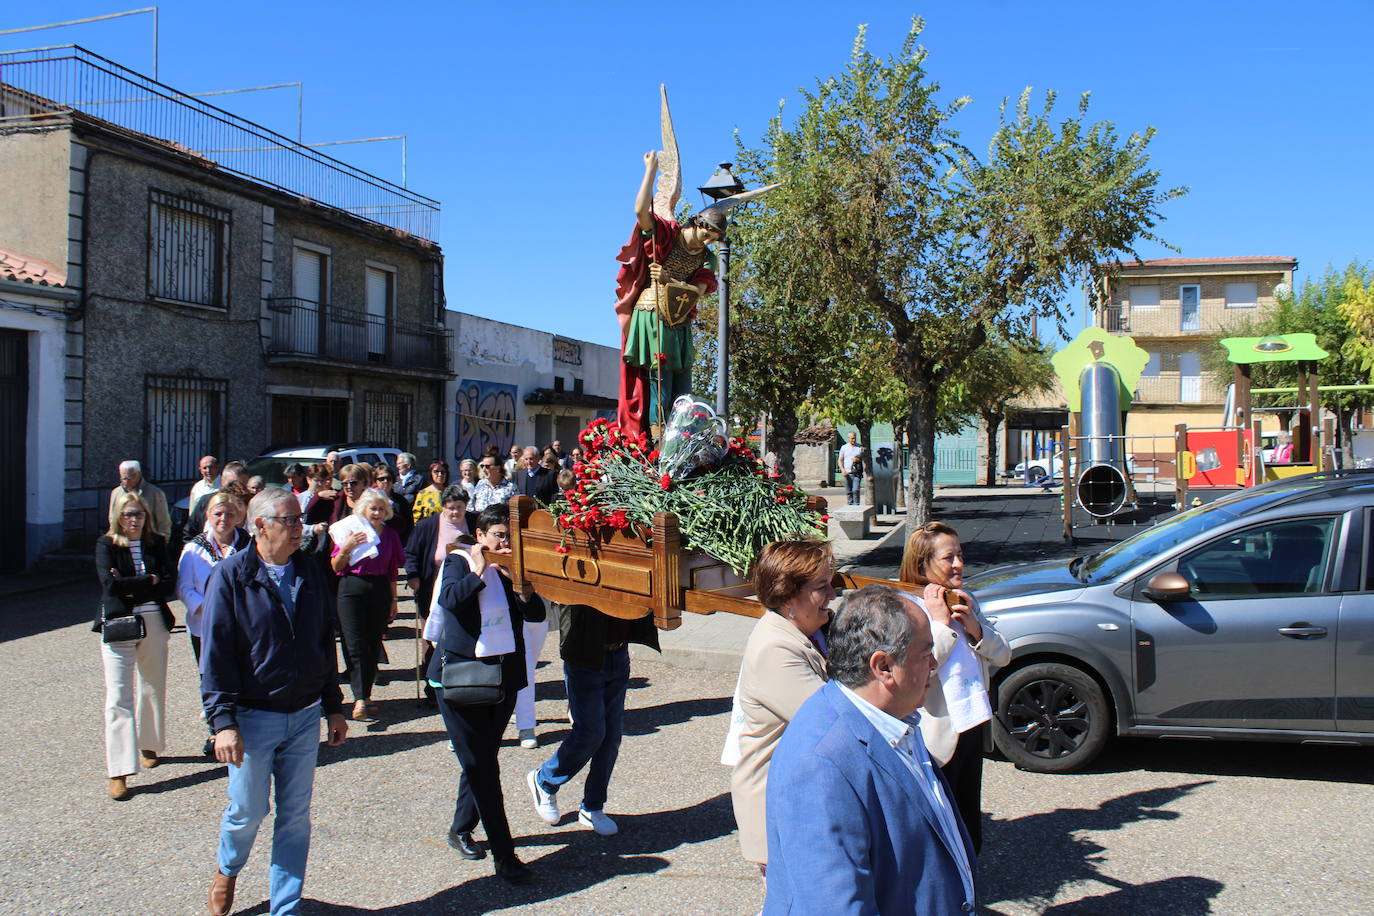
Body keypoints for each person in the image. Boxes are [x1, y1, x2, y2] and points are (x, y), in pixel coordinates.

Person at [763, 584, 975, 915]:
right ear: (884, 667)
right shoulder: (821, 766)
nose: (934, 663)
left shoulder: (897, 716)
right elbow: (835, 905)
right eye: (924, 653)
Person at [200, 488, 348, 916]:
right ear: (260, 525)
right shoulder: (231, 576)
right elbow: (216, 655)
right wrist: (222, 721)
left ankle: (286, 906)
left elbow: (324, 640)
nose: (300, 528)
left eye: (300, 520)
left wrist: (333, 705)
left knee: (295, 814)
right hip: (252, 717)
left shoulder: (309, 571)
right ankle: (227, 869)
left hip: (302, 716)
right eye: (291, 521)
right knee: (247, 811)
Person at [426, 503, 544, 883]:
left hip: (501, 677)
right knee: (482, 764)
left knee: (480, 757)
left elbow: (538, 614)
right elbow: (449, 601)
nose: (505, 542)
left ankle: (460, 827)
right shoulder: (460, 561)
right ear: (480, 536)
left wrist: (519, 585)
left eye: (510, 536)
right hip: (460, 678)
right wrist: (480, 572)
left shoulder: (514, 566)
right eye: (498, 536)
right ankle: (505, 855)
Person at [899, 521, 1010, 854]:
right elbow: (915, 674)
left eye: (960, 554)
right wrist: (939, 623)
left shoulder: (965, 599)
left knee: (968, 826)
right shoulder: (908, 608)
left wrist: (976, 629)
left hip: (972, 725)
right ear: (923, 564)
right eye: (949, 558)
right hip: (935, 737)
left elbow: (1003, 655)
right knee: (938, 831)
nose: (959, 563)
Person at [728, 540, 834, 871]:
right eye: (821, 588)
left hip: (801, 798)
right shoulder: (776, 648)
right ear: (788, 597)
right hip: (780, 805)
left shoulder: (810, 630)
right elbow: (830, 721)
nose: (832, 595)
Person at [527, 601, 658, 838]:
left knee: (611, 736)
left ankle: (593, 806)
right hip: (584, 653)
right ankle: (544, 780)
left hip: (618, 651)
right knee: (590, 732)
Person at [614, 150, 722, 436]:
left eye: (714, 238)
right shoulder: (667, 233)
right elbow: (641, 212)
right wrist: (650, 169)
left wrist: (668, 278)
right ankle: (658, 441)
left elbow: (697, 291)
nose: (708, 241)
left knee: (682, 383)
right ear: (697, 223)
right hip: (650, 313)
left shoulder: (706, 258)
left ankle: (681, 439)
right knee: (658, 379)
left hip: (680, 319)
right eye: (707, 233)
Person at [95, 491, 175, 801]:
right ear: (117, 516)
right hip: (119, 622)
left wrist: (139, 583)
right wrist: (149, 581)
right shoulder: (106, 545)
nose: (134, 520)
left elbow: (169, 582)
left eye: (139, 514)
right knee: (118, 696)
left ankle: (150, 744)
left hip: (154, 618)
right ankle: (119, 771)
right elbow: (110, 585)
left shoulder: (156, 543)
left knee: (152, 686)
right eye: (128, 514)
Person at [177, 490, 251, 757]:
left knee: (242, 672)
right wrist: (210, 609)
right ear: (208, 515)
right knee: (210, 676)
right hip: (204, 626)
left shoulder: (247, 545)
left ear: (238, 516)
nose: (224, 519)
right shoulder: (194, 548)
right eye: (218, 513)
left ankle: (242, 725)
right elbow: (184, 588)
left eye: (230, 514)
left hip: (242, 623)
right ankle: (216, 729)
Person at [331, 489, 405, 721]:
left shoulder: (391, 535)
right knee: (354, 644)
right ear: (364, 509)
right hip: (351, 587)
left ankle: (367, 695)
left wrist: (393, 599)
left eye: (381, 509)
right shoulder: (352, 530)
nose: (377, 513)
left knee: (373, 644)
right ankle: (359, 698)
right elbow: (336, 566)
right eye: (373, 508)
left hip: (380, 588)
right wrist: (348, 546)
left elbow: (393, 570)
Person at [405, 485, 475, 706]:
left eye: (459, 508)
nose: (455, 513)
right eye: (451, 508)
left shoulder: (474, 522)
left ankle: (463, 683)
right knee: (431, 638)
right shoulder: (428, 526)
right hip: (432, 590)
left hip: (466, 591)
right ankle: (431, 686)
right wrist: (413, 576)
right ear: (443, 507)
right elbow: (411, 552)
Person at [184, 461, 248, 542]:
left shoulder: (252, 505)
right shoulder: (206, 501)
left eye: (241, 484)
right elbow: (190, 532)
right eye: (231, 484)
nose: (236, 488)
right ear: (222, 482)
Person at [108, 460, 172, 540]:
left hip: (148, 542)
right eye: (122, 478)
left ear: (138, 474)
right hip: (122, 541)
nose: (125, 481)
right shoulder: (116, 492)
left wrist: (163, 542)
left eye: (128, 478)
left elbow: (163, 522)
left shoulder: (155, 493)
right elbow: (112, 518)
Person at [373, 462, 413, 546]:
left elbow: (409, 526)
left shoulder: (401, 501)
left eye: (388, 478)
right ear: (376, 481)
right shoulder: (370, 501)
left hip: (397, 543)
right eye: (381, 479)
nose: (385, 481)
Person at [411, 460, 450, 524]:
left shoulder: (451, 492)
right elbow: (416, 516)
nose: (440, 474)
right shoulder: (423, 493)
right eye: (436, 471)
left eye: (443, 472)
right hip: (429, 529)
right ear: (431, 473)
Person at [838, 432, 864, 506]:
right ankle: (850, 506)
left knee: (855, 490)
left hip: (857, 473)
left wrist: (858, 460)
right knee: (849, 492)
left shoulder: (859, 447)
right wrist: (842, 470)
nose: (854, 440)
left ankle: (856, 506)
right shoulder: (844, 447)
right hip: (847, 473)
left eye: (855, 438)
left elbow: (865, 458)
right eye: (852, 438)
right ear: (848, 438)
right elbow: (840, 460)